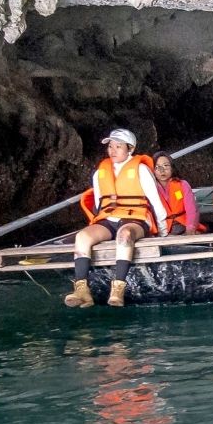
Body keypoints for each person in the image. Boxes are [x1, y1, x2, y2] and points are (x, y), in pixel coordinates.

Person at [66, 128, 167, 309]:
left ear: (130, 149)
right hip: (109, 219)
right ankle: (82, 290)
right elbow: (99, 204)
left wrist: (163, 232)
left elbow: (155, 201)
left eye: (118, 146)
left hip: (136, 220)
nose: (112, 150)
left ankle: (117, 288)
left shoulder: (141, 170)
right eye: (110, 146)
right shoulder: (100, 173)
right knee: (82, 237)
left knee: (124, 234)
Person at [154, 154, 202, 235]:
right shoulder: (150, 188)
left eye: (166, 165)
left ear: (172, 168)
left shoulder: (183, 184)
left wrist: (190, 228)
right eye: (157, 167)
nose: (162, 170)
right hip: (163, 229)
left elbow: (192, 209)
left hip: (184, 225)